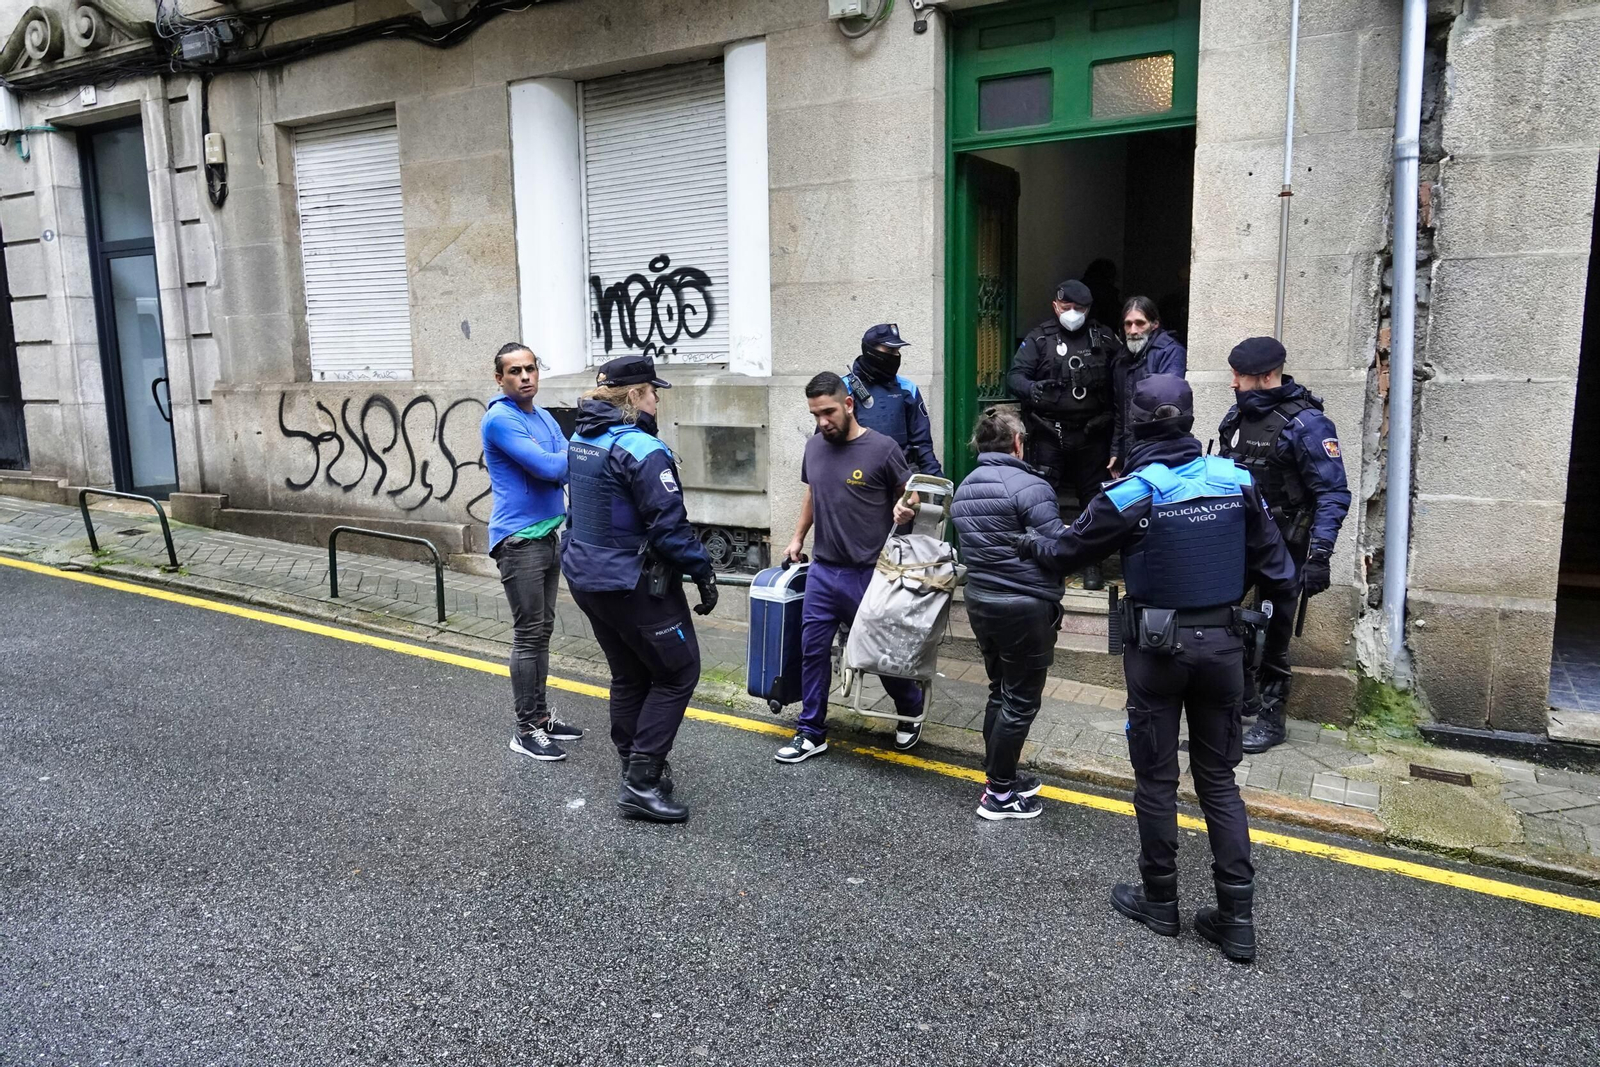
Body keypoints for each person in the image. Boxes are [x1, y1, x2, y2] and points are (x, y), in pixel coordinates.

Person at [1016, 375, 1297, 963]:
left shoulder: (1132, 492)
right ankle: (1237, 922)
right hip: (1224, 649)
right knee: (1219, 782)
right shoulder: (1238, 481)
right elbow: (1282, 574)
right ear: (1191, 420)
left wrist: (1028, 543)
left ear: (1138, 425)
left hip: (1156, 650)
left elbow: (1068, 550)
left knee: (1157, 781)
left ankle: (1160, 902)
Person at [562, 354, 719, 823]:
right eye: (653, 391)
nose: (657, 399)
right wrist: (702, 571)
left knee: (630, 673)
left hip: (586, 578)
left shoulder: (580, 437)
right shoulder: (642, 450)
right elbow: (670, 529)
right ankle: (642, 782)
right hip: (631, 583)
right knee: (678, 672)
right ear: (634, 397)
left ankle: (633, 760)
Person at [1217, 337, 1352, 754]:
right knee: (1225, 619)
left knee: (1274, 635)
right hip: (1238, 538)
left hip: (1284, 545)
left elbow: (1333, 493)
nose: (1233, 382)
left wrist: (1320, 555)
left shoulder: (1307, 424)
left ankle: (1272, 721)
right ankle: (1244, 699)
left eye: (1239, 376)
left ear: (1264, 377)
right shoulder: (1236, 415)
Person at [779, 372, 921, 762]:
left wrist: (906, 507)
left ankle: (910, 709)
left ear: (848, 405)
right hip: (824, 570)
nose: (822, 421)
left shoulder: (883, 448)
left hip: (870, 573)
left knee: (881, 655)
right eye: (815, 414)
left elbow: (913, 495)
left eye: (828, 412)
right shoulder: (814, 447)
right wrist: (797, 538)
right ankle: (811, 731)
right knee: (812, 651)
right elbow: (813, 492)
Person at [950, 407, 1065, 821]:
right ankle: (999, 794)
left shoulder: (965, 488)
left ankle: (999, 776)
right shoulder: (1030, 486)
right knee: (1020, 701)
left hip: (982, 601)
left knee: (1001, 691)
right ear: (1018, 442)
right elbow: (1057, 551)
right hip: (1024, 607)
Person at [481, 342, 581, 762]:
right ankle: (525, 729)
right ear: (500, 379)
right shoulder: (500, 419)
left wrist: (561, 457)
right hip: (518, 540)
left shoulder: (540, 416)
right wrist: (560, 458)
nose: (525, 377)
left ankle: (540, 717)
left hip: (547, 535)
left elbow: (567, 454)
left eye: (530, 369)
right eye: (515, 371)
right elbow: (552, 467)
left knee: (541, 632)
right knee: (528, 636)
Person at [1008, 279, 1120, 591]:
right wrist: (1032, 389)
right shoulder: (1040, 339)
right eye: (1066, 307)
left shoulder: (1105, 337)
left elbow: (1123, 379)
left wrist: (1113, 419)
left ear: (1089, 309)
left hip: (1091, 433)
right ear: (1055, 306)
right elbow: (1014, 377)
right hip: (1049, 432)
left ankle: (1091, 562)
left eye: (1079, 309)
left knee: (1094, 500)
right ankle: (1043, 559)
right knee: (1041, 496)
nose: (1072, 314)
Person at [842, 323, 943, 477]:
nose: (895, 356)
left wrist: (936, 479)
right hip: (856, 480)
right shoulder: (844, 388)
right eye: (889, 350)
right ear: (870, 350)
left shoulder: (907, 388)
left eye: (897, 351)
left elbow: (922, 444)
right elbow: (826, 442)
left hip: (900, 481)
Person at [1108, 296, 1188, 477]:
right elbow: (1120, 410)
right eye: (1128, 324)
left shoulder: (1170, 352)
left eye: (1139, 323)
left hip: (1159, 452)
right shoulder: (1121, 359)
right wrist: (1116, 451)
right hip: (1131, 450)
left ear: (1154, 324)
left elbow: (1168, 411)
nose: (1133, 330)